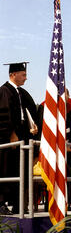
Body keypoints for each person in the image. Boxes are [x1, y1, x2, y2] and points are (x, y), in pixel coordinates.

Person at [0, 62, 38, 215]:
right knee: (5, 170)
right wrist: (11, 134)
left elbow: (29, 113)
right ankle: (1, 204)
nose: (26, 78)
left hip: (22, 138)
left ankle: (18, 204)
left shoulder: (22, 93)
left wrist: (34, 126)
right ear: (13, 75)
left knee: (21, 171)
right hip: (8, 140)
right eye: (23, 74)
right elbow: (4, 116)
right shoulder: (4, 91)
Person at [37, 89, 71, 210]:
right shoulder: (44, 106)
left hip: (70, 149)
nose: (65, 98)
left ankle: (67, 203)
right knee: (52, 174)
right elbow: (42, 130)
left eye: (66, 95)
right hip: (51, 150)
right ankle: (51, 203)